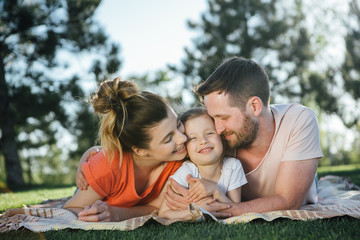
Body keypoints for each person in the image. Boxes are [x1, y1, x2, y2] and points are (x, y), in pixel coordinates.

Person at [165, 57, 323, 217]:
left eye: (224, 117)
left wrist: (207, 208)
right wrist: (190, 200)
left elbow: (289, 201)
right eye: (213, 118)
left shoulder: (298, 119)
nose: (217, 129)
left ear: (254, 106)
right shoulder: (219, 140)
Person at [63, 77, 191, 222]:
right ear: (140, 150)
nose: (183, 138)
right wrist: (91, 214)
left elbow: (156, 207)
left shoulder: (177, 159)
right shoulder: (107, 167)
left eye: (178, 123)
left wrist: (115, 213)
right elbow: (70, 209)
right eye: (168, 138)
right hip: (95, 188)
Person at [158, 107, 247, 219]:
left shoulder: (233, 166)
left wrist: (216, 191)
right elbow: (164, 213)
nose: (203, 141)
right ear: (186, 149)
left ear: (221, 137)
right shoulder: (187, 172)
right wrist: (197, 212)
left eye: (209, 133)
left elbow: (235, 210)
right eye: (193, 138)